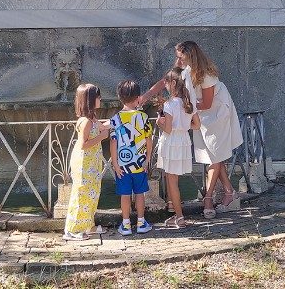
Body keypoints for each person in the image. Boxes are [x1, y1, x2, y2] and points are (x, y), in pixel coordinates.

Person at [140, 41, 244, 219]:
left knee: (214, 155)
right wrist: (146, 96)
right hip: (198, 113)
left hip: (217, 112)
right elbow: (167, 80)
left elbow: (207, 103)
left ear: (191, 57)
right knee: (213, 155)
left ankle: (208, 199)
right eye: (177, 56)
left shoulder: (206, 74)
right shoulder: (182, 68)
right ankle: (229, 192)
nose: (177, 60)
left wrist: (182, 106)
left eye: (181, 57)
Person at [62, 83, 111, 241]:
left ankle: (88, 225)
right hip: (84, 162)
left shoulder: (92, 119)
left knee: (92, 193)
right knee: (82, 194)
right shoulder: (86, 121)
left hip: (92, 162)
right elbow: (83, 144)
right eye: (97, 96)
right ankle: (72, 230)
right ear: (90, 100)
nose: (100, 99)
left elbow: (98, 128)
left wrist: (106, 126)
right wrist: (101, 137)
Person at [155, 67, 200, 228]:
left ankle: (179, 216)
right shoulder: (188, 103)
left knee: (171, 180)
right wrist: (183, 126)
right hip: (183, 140)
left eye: (166, 83)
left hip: (171, 141)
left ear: (173, 83)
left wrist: (159, 122)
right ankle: (176, 213)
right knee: (175, 179)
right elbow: (197, 125)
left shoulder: (169, 104)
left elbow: (166, 128)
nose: (165, 86)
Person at [109, 80, 154, 236]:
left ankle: (126, 224)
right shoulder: (143, 117)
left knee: (125, 194)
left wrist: (115, 163)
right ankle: (141, 222)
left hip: (122, 166)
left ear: (120, 98)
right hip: (140, 164)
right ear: (138, 98)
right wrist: (147, 159)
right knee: (140, 193)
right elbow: (149, 140)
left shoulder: (115, 119)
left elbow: (113, 142)